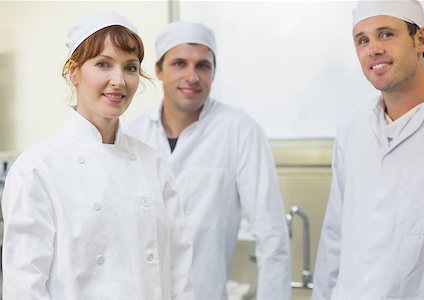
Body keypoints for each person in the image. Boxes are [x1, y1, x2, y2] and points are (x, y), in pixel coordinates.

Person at [1, 11, 193, 299]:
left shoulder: (153, 164)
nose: (118, 80)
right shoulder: (37, 169)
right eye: (103, 64)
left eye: (130, 68)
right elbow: (24, 287)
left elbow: (179, 270)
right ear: (74, 71)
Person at [124, 21, 291, 300]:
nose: (192, 76)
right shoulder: (131, 135)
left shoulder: (240, 131)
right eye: (180, 64)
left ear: (213, 72)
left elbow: (272, 236)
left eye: (203, 66)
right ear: (158, 70)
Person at [312, 0, 424, 299]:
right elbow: (335, 233)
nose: (373, 49)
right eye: (362, 40)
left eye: (386, 34)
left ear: (420, 40)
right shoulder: (352, 129)